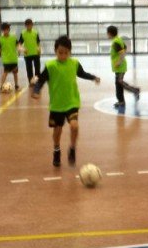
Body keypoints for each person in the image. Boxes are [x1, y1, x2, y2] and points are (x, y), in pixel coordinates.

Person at [31, 35, 101, 167]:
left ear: (70, 52)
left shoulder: (74, 63)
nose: (63, 55)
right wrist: (36, 91)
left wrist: (93, 77)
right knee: (57, 130)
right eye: (60, 53)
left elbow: (82, 73)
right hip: (57, 105)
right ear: (55, 51)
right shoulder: (50, 66)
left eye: (66, 53)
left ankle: (72, 148)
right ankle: (57, 150)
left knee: (74, 126)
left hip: (72, 102)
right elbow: (41, 80)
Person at [107, 26, 141, 108]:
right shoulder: (118, 40)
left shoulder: (116, 42)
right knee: (118, 83)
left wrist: (119, 62)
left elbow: (122, 53)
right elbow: (125, 48)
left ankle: (135, 91)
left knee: (120, 82)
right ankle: (121, 101)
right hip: (119, 67)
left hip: (120, 67)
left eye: (107, 33)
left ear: (109, 33)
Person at [0, 22, 20, 92]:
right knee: (5, 73)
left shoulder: (13, 38)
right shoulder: (0, 39)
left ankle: (16, 85)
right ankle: (1, 86)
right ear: (2, 30)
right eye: (4, 30)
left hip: (14, 59)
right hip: (6, 59)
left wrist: (22, 50)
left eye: (7, 29)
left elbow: (18, 46)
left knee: (15, 72)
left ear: (9, 29)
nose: (6, 31)